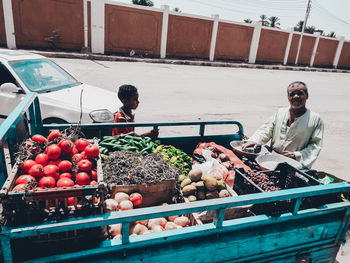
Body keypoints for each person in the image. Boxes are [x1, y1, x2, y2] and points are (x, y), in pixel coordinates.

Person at [242, 81, 324, 168]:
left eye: (300, 93)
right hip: (271, 159)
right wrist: (255, 140)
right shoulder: (280, 112)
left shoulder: (315, 119)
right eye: (292, 94)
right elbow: (266, 129)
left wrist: (296, 155)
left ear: (307, 96)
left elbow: (315, 145)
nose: (296, 96)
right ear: (288, 98)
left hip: (294, 165)